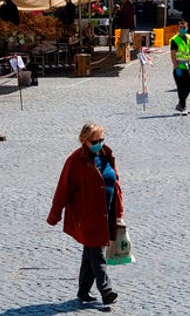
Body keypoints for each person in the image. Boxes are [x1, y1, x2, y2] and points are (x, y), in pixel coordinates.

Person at [46, 123, 123, 306]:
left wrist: (119, 212)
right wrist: (54, 216)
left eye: (102, 139)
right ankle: (106, 291)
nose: (101, 143)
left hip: (106, 213)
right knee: (97, 253)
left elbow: (116, 184)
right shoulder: (75, 160)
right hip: (87, 216)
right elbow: (63, 189)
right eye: (96, 140)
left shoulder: (107, 155)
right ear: (85, 141)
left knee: (91, 252)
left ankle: (83, 290)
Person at [168, 19, 190, 114]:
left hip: (189, 66)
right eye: (181, 27)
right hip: (180, 67)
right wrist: (176, 67)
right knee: (181, 88)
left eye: (184, 27)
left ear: (187, 27)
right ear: (178, 27)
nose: (182, 29)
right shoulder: (175, 40)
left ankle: (180, 104)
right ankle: (183, 106)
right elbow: (173, 55)